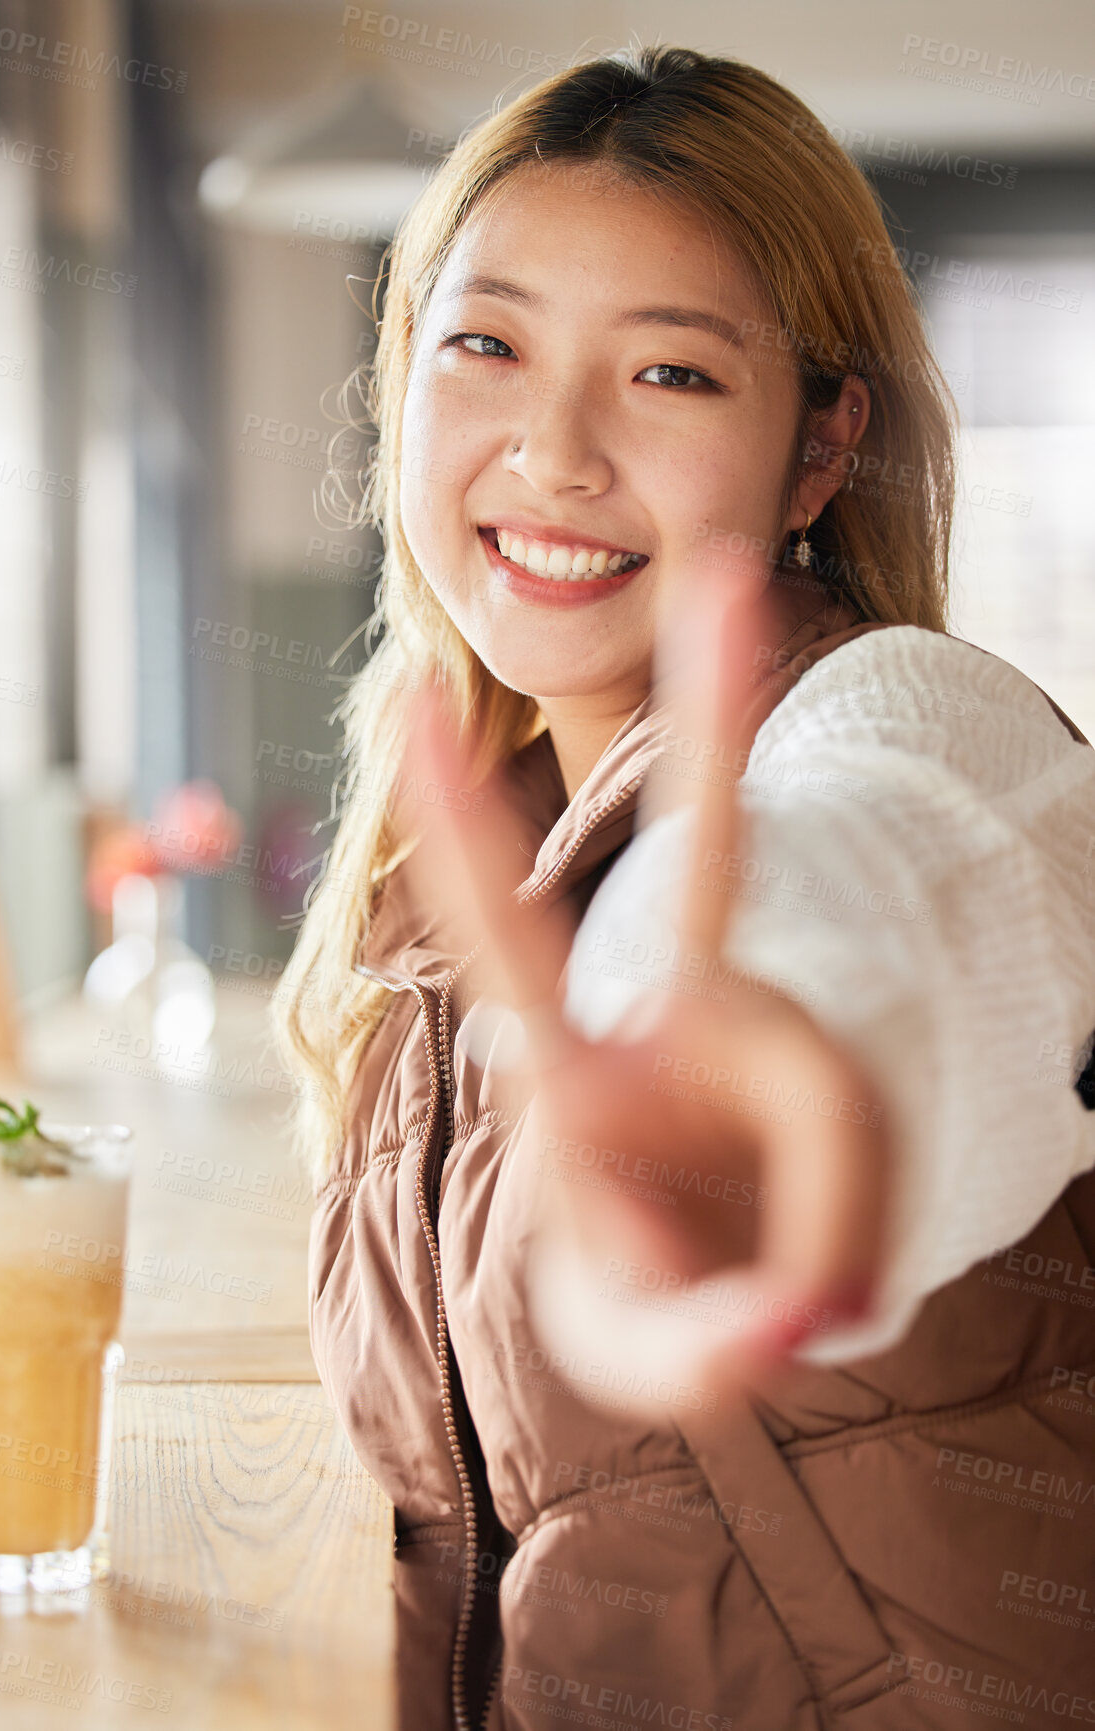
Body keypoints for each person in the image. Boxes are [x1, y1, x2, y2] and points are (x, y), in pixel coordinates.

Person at [273, 46, 1095, 1731]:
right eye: (488, 345)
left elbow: (888, 875)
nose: (556, 452)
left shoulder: (917, 721)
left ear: (817, 455)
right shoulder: (455, 872)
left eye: (672, 375)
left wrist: (761, 1074)